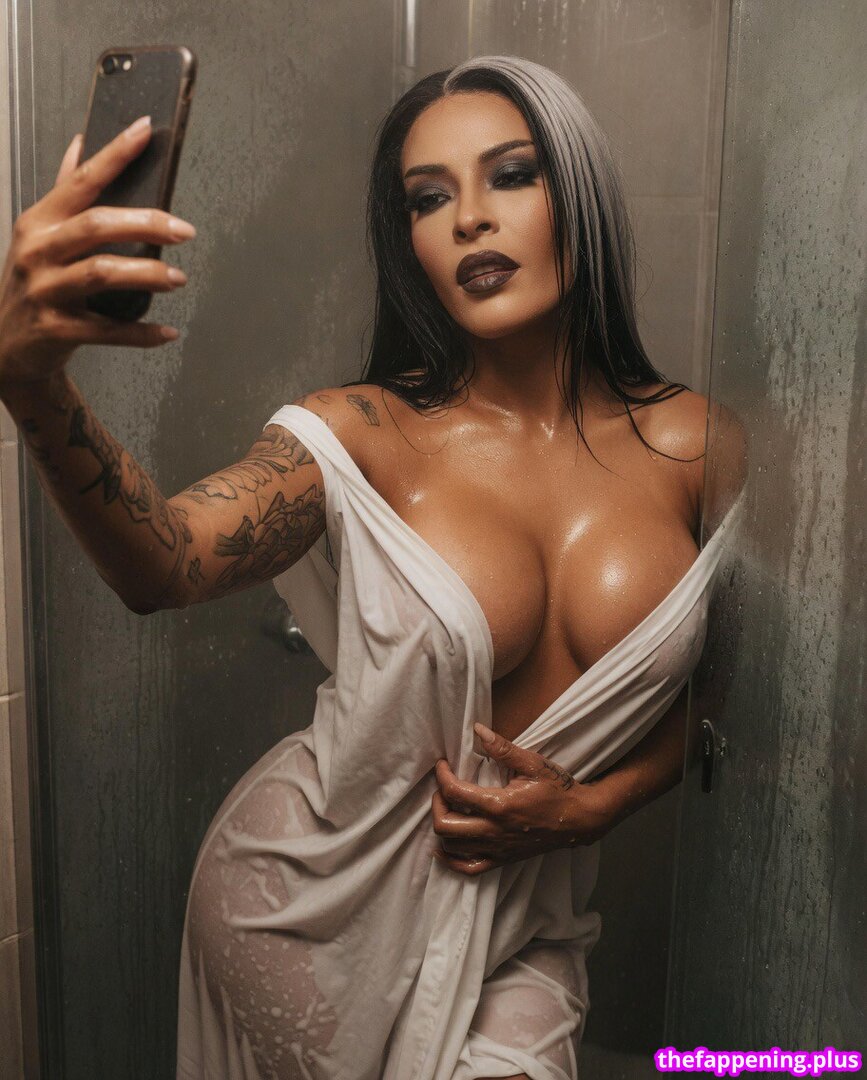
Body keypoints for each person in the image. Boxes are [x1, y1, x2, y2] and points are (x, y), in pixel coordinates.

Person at [0, 55, 745, 1080]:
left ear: (581, 194)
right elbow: (162, 565)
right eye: (428, 199)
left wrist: (598, 806)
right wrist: (31, 381)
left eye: (511, 175)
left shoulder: (702, 446)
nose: (468, 219)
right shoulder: (356, 434)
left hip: (526, 924)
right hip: (304, 910)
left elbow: (720, 700)